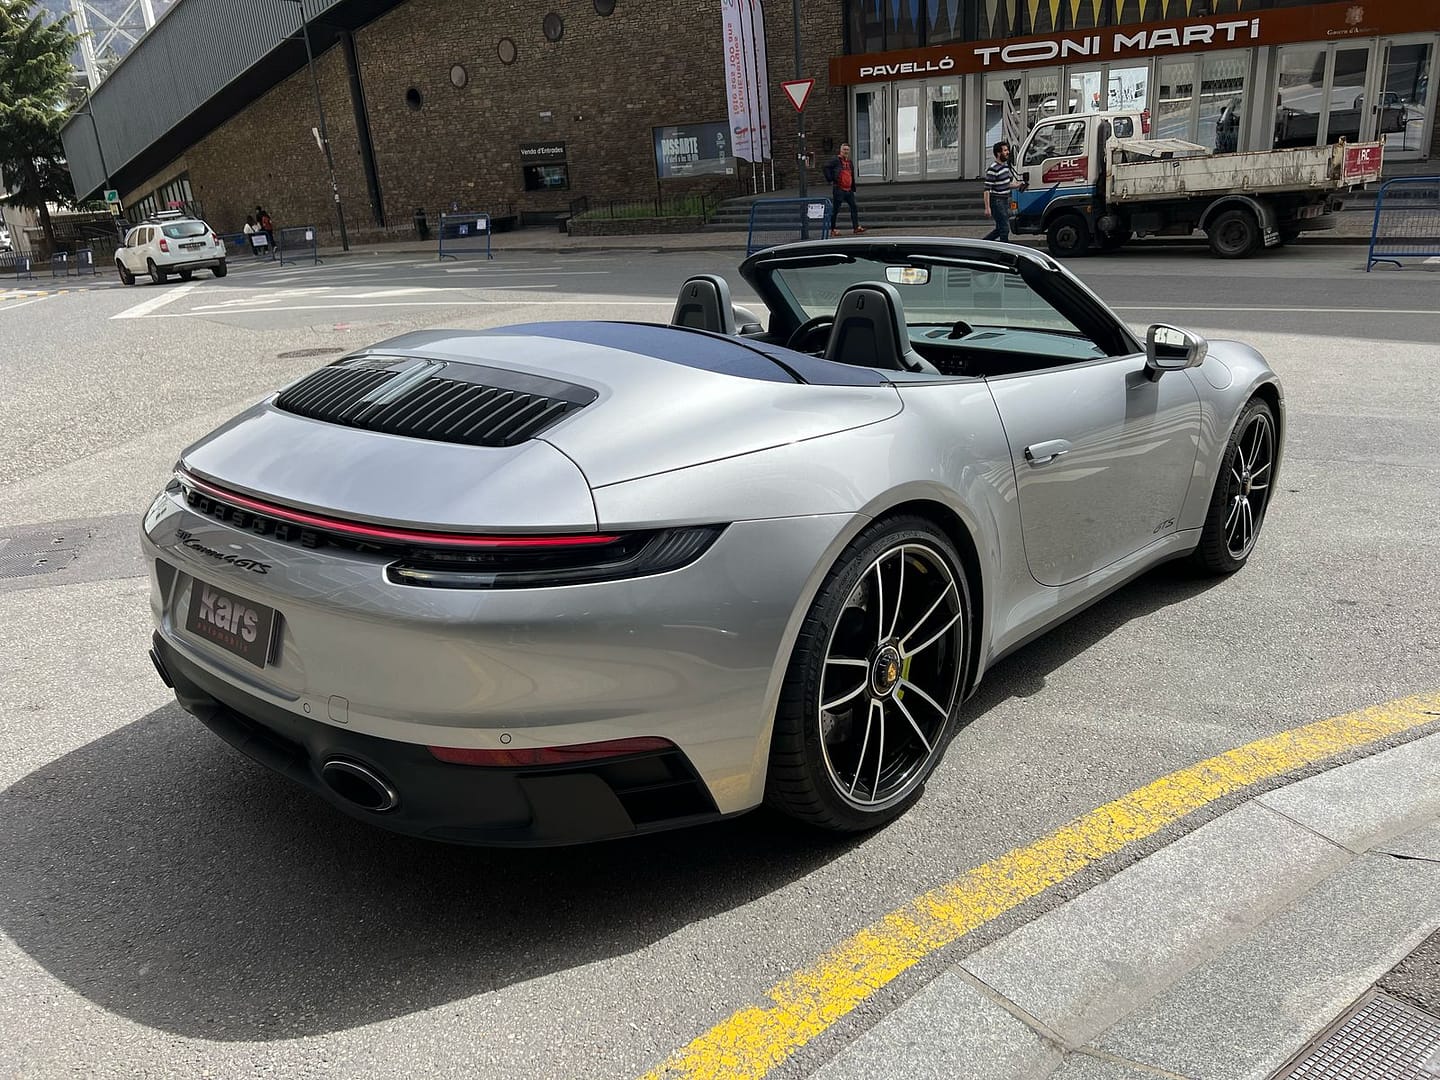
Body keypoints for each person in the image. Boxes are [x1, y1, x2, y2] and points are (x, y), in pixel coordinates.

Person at [824, 143, 866, 235]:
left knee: (854, 207)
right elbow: (826, 167)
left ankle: (856, 227)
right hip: (839, 189)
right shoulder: (836, 160)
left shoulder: (849, 162)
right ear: (841, 150)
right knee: (836, 209)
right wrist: (830, 178)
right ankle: (833, 229)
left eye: (847, 150)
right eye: (844, 149)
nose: (846, 151)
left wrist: (852, 187)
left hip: (848, 189)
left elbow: (851, 175)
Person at [982, 140, 1020, 243]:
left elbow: (1005, 184)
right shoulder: (993, 169)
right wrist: (987, 208)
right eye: (1005, 150)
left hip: (1004, 200)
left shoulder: (1005, 166)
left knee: (1000, 229)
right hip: (996, 201)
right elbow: (986, 190)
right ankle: (1004, 248)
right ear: (999, 153)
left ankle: (983, 244)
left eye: (1007, 150)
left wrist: (1018, 185)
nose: (1008, 152)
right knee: (1004, 228)